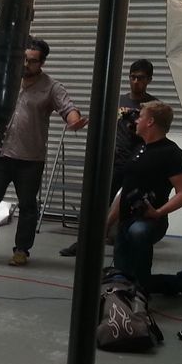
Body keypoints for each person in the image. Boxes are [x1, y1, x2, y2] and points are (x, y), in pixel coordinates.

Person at [0, 37, 86, 266]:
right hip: (1, 154)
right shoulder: (7, 80)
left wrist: (74, 120)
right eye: (24, 59)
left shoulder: (51, 87)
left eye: (32, 61)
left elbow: (68, 108)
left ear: (42, 63)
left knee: (27, 205)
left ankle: (21, 250)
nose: (26, 64)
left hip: (30, 159)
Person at [109, 100, 182, 297]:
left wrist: (158, 212)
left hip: (150, 221)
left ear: (150, 122)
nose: (136, 120)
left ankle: (176, 282)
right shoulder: (138, 149)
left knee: (138, 234)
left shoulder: (172, 153)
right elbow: (125, 191)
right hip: (126, 220)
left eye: (141, 117)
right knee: (124, 278)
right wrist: (108, 222)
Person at [60, 58, 156, 257]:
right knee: (97, 203)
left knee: (130, 205)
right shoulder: (117, 101)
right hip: (114, 161)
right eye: (133, 77)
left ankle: (123, 245)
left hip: (138, 162)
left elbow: (157, 134)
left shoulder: (153, 106)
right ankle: (84, 243)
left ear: (149, 80)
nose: (136, 82)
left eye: (141, 78)